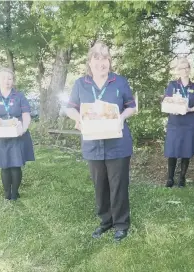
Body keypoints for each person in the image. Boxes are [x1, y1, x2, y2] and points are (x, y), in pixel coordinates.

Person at [65, 41, 137, 242]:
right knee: (100, 185)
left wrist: (121, 117)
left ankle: (121, 224)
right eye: (96, 58)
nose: (101, 62)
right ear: (89, 62)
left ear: (109, 62)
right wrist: (78, 118)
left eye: (105, 58)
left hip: (118, 144)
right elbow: (70, 108)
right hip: (93, 143)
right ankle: (105, 221)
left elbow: (131, 106)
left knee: (118, 184)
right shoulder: (80, 84)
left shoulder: (120, 82)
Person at [0, 67, 35, 201]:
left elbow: (26, 115)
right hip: (0, 137)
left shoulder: (19, 96)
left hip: (17, 136)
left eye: (10, 78)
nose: (7, 81)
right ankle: (7, 193)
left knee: (16, 165)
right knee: (4, 165)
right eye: (4, 78)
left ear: (13, 81)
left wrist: (22, 129)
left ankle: (15, 193)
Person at [162, 57, 194, 188]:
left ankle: (182, 179)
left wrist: (190, 109)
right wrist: (171, 108)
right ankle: (170, 179)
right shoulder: (172, 85)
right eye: (181, 68)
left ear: (190, 70)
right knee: (172, 150)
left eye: (186, 68)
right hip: (175, 123)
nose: (184, 70)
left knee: (187, 151)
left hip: (189, 123)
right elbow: (166, 101)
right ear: (178, 70)